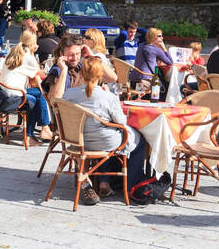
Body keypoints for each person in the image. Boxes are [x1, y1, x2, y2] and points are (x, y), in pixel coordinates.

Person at [55, 54, 153, 206]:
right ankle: (130, 184)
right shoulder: (108, 96)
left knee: (109, 134)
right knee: (137, 139)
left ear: (81, 74)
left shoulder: (69, 94)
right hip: (103, 142)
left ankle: (104, 182)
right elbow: (121, 122)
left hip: (76, 140)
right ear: (100, 75)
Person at [0, 44, 53, 142]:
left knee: (36, 97)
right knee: (38, 96)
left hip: (4, 94)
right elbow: (38, 73)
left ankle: (38, 132)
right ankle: (42, 129)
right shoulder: (24, 62)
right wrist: (32, 55)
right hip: (14, 95)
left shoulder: (7, 61)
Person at [130, 27, 169, 92]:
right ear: (154, 37)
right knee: (165, 85)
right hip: (144, 82)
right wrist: (164, 48)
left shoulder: (141, 45)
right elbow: (170, 62)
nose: (162, 38)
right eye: (159, 36)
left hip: (133, 80)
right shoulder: (155, 49)